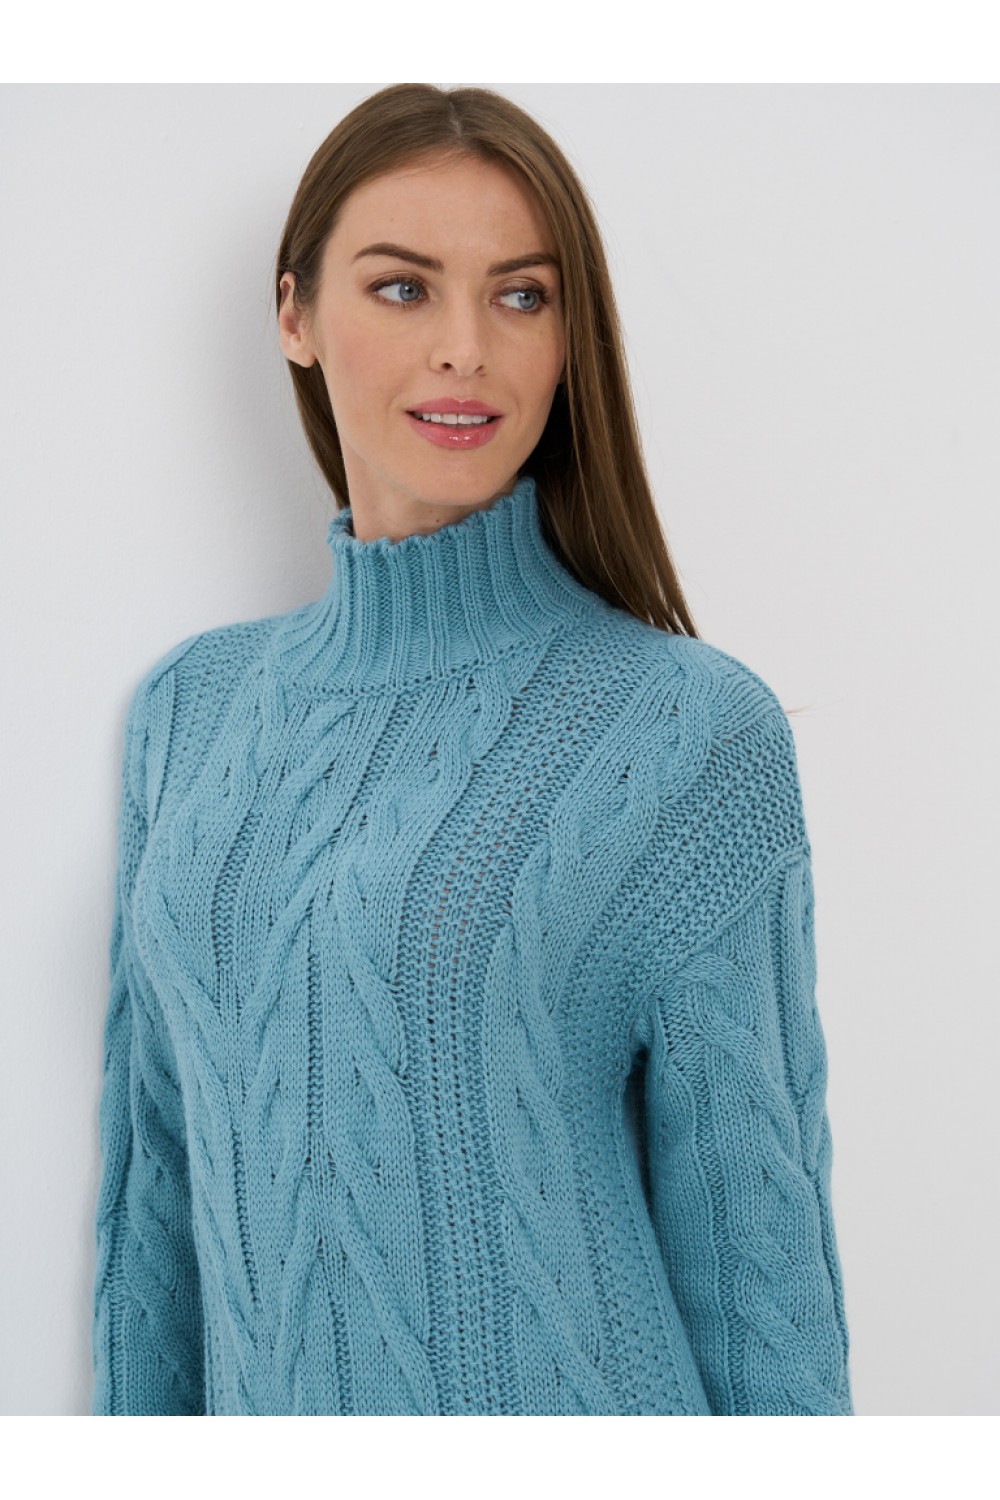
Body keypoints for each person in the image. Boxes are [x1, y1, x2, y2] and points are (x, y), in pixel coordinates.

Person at [90, 83, 853, 1417]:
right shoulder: (189, 714)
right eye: (402, 289)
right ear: (293, 316)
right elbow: (154, 1199)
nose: (466, 350)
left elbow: (760, 1266)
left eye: (521, 296)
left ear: (569, 339)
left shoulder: (687, 728)